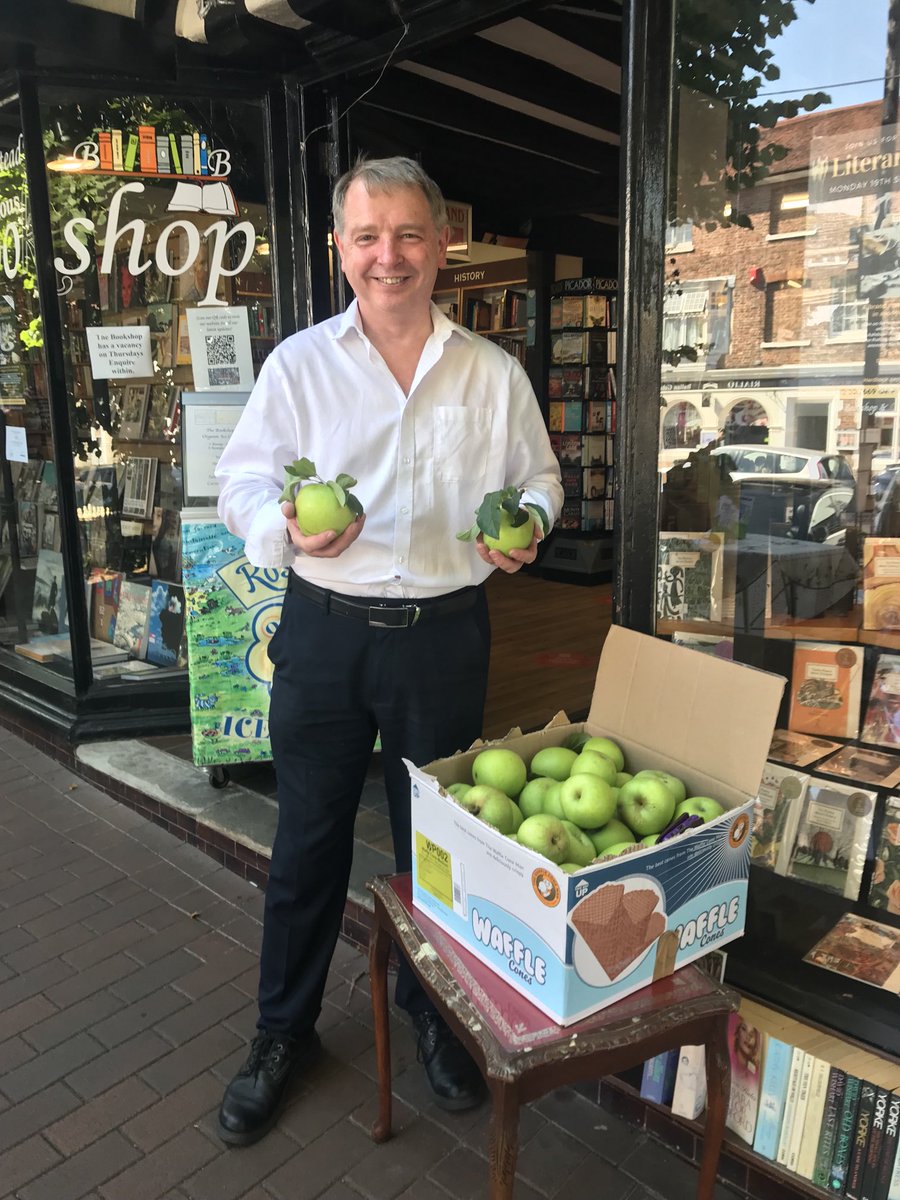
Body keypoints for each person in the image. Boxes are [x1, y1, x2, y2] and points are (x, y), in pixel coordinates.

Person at [214, 155, 563, 1146]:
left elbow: (539, 480)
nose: (389, 255)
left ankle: (434, 1017)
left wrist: (527, 524)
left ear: (441, 243)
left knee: (438, 850)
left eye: (408, 234)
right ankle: (282, 1034)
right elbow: (240, 484)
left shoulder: (491, 373)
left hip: (443, 638)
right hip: (323, 635)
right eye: (368, 237)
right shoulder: (299, 365)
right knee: (308, 844)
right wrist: (286, 529)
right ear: (339, 249)